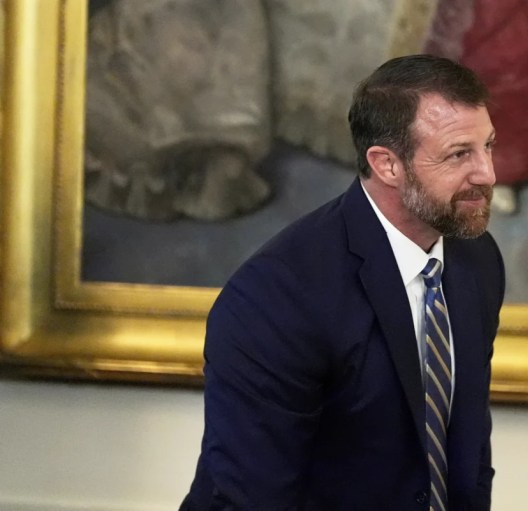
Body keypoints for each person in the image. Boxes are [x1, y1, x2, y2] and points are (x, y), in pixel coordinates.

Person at [181, 54, 505, 511]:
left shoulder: (477, 259)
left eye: (488, 146)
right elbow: (255, 498)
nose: (487, 174)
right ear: (387, 165)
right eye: (459, 154)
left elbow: (468, 447)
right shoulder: (275, 297)